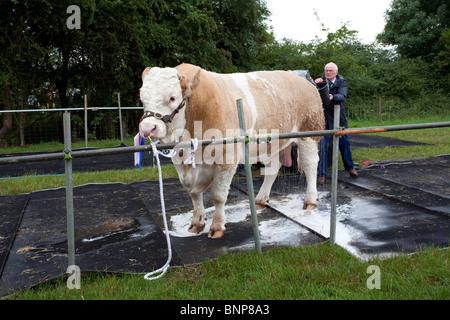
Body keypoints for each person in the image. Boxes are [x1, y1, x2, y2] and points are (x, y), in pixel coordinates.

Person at [315, 62, 358, 183]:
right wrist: (315, 84)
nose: (328, 73)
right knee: (322, 146)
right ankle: (321, 174)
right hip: (324, 118)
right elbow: (313, 94)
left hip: (338, 117)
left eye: (330, 71)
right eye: (326, 70)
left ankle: (350, 167)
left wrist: (332, 97)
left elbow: (343, 96)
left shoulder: (341, 82)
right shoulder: (321, 81)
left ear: (336, 72)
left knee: (344, 144)